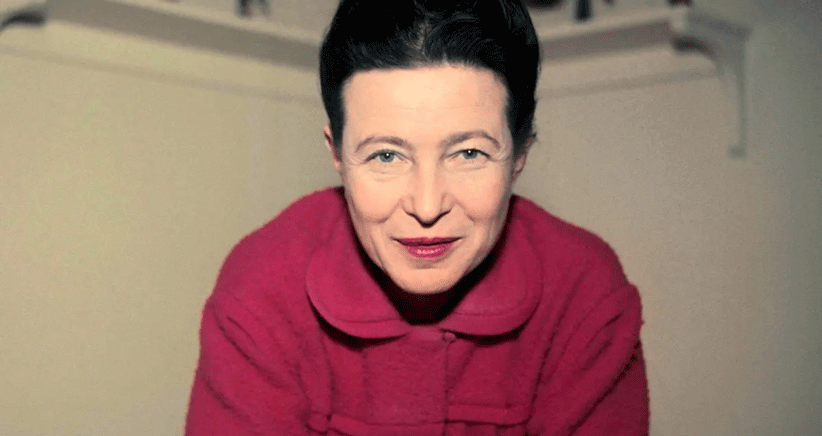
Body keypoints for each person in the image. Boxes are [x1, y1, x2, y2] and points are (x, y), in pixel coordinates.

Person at [185, 0, 649, 434]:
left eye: (469, 153)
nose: (427, 207)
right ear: (337, 155)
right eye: (386, 156)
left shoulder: (584, 294)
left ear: (520, 154)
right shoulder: (262, 287)